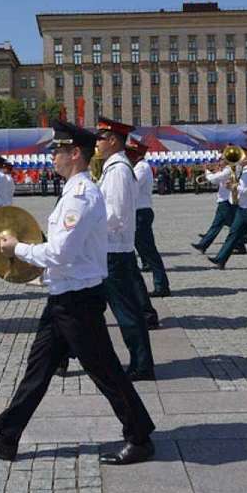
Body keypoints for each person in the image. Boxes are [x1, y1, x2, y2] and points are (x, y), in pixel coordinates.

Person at [0, 120, 156, 465]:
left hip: (78, 299)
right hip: (65, 295)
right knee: (38, 368)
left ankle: (139, 436)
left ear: (75, 154)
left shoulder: (81, 195)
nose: (53, 157)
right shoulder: (72, 191)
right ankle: (8, 436)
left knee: (105, 371)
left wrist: (16, 248)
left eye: (59, 151)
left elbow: (59, 252)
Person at [94, 117, 156, 380]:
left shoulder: (118, 170)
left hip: (113, 251)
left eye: (100, 137)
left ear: (112, 140)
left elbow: (115, 215)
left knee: (126, 311)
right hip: (108, 249)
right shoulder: (113, 167)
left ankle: (142, 364)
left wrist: (87, 228)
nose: (96, 142)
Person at [209, 148, 247, 269]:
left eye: (241, 156)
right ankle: (221, 259)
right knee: (233, 234)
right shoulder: (241, 170)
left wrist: (235, 187)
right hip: (242, 207)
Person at [128, 138, 171, 298]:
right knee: (143, 251)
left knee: (149, 252)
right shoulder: (138, 166)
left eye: (130, 153)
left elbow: (131, 187)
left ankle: (161, 285)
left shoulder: (141, 168)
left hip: (141, 213)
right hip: (137, 212)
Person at [191, 154, 236, 253]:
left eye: (221, 159)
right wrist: (214, 171)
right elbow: (216, 182)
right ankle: (203, 245)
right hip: (223, 201)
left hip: (226, 201)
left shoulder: (228, 170)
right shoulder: (225, 170)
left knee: (229, 226)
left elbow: (213, 179)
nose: (219, 161)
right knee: (220, 225)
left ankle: (204, 245)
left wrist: (207, 171)